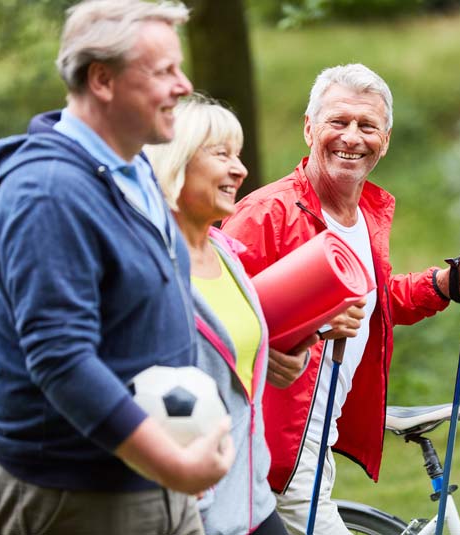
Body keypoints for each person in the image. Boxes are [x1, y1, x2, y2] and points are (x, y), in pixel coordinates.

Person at [0, 2, 235, 534]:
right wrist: (171, 461)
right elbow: (62, 361)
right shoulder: (49, 194)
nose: (184, 85)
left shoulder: (132, 169)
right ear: (103, 79)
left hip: (151, 480)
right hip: (74, 495)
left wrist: (180, 446)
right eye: (164, 72)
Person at [221, 63, 460, 534]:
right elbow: (211, 319)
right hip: (273, 440)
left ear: (385, 140)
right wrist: (288, 339)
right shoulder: (267, 215)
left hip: (317, 435)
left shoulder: (365, 213)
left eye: (367, 126)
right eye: (338, 121)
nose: (352, 137)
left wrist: (444, 284)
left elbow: (372, 301)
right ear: (310, 128)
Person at [144, 93, 318, 535]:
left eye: (238, 155)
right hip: (185, 513)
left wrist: (281, 357)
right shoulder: (146, 266)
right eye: (221, 154)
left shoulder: (225, 251)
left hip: (251, 499)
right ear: (175, 161)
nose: (239, 169)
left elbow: (235, 358)